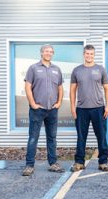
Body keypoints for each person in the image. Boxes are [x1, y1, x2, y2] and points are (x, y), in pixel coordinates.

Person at [22, 44, 65, 176]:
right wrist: (33, 104)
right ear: (41, 53)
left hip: (52, 109)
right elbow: (28, 87)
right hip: (37, 110)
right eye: (46, 51)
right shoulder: (33, 68)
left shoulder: (56, 69)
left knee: (52, 137)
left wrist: (59, 103)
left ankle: (53, 163)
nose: (48, 53)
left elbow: (60, 88)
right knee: (33, 137)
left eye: (51, 52)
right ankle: (29, 165)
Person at [70, 44, 108, 172]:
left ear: (94, 55)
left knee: (102, 136)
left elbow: (107, 88)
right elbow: (72, 90)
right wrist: (72, 107)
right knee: (81, 136)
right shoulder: (77, 70)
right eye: (87, 53)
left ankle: (103, 162)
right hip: (81, 109)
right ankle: (79, 162)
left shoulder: (100, 69)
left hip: (98, 108)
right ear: (84, 54)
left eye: (91, 54)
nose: (89, 56)